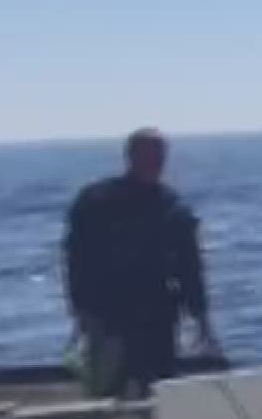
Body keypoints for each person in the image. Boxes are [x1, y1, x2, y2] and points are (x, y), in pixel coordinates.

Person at [62, 128, 218, 397]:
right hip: (107, 315)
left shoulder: (171, 206)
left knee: (161, 389)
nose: (155, 163)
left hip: (157, 315)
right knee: (107, 390)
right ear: (130, 156)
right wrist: (80, 309)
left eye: (159, 156)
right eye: (147, 155)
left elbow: (189, 265)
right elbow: (75, 258)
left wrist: (200, 315)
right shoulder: (96, 201)